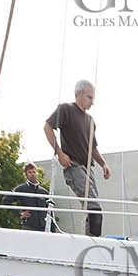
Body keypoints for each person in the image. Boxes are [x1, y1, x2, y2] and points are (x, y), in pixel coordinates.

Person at [44, 79, 110, 238]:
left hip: (89, 168)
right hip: (73, 165)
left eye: (93, 98)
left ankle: (89, 242)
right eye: (89, 97)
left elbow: (92, 148)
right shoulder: (66, 109)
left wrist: (103, 164)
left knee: (93, 209)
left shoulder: (90, 121)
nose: (92, 102)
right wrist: (59, 153)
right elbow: (47, 127)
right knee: (94, 209)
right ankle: (92, 245)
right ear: (79, 94)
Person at [9, 163, 51, 232]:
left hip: (44, 227)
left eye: (34, 172)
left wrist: (51, 229)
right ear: (26, 175)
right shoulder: (21, 189)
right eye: (30, 172)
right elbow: (6, 201)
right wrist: (19, 214)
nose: (32, 174)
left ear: (37, 173)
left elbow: (50, 211)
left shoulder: (44, 192)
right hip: (29, 226)